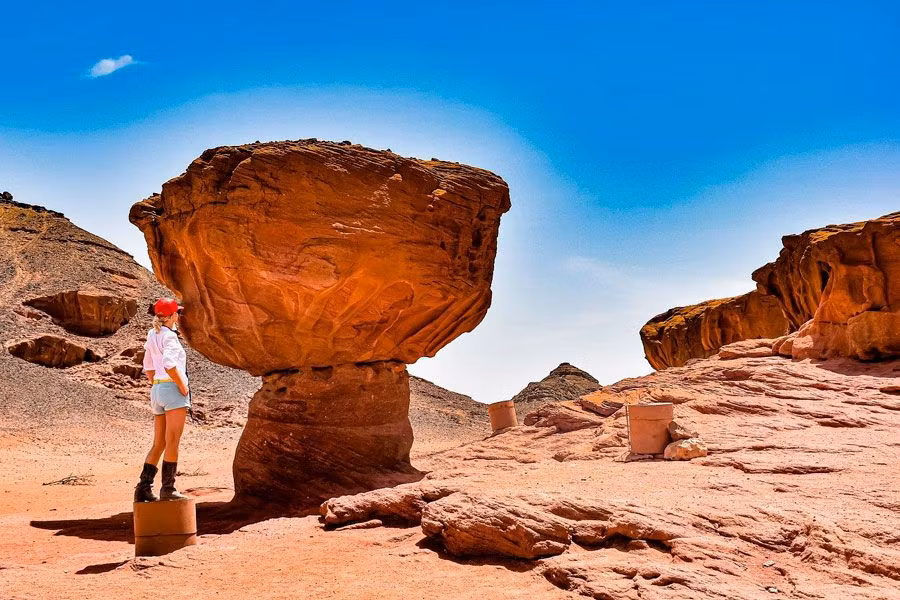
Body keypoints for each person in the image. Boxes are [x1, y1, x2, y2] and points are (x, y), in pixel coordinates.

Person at [134, 297, 191, 502]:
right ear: (172, 316)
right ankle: (168, 488)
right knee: (172, 441)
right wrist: (182, 387)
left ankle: (143, 489)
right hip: (171, 389)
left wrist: (158, 384)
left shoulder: (153, 334)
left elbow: (148, 367)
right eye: (178, 313)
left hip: (157, 390)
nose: (179, 316)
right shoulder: (170, 337)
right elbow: (169, 364)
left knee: (158, 443)